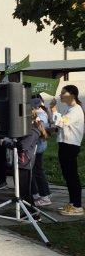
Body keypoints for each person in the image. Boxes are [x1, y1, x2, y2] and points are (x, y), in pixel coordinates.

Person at [50, 84, 84, 216]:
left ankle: (77, 206)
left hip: (70, 146)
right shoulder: (70, 109)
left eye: (63, 93)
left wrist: (53, 109)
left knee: (72, 176)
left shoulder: (76, 110)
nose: (60, 95)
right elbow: (60, 125)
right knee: (68, 176)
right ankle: (72, 203)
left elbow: (62, 122)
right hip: (65, 145)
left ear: (72, 95)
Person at [30, 98, 52, 207]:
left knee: (38, 171)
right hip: (37, 147)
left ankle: (44, 196)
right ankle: (37, 194)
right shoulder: (41, 113)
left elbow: (42, 129)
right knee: (35, 171)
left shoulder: (40, 115)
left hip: (37, 148)